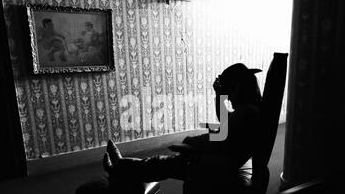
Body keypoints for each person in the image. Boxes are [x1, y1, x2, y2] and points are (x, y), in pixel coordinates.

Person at [103, 63, 263, 185]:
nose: (229, 99)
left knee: (161, 163)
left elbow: (220, 137)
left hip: (220, 164)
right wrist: (219, 94)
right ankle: (121, 167)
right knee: (162, 163)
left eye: (228, 94)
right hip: (226, 159)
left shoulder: (246, 112)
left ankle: (119, 168)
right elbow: (225, 123)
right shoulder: (251, 109)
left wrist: (190, 143)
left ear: (237, 88)